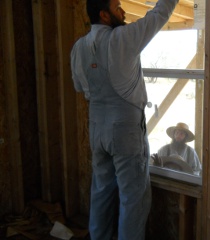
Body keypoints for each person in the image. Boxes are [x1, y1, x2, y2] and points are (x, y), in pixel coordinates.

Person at [70, 0, 178, 239]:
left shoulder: (79, 47)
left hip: (97, 128)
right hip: (126, 131)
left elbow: (80, 86)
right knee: (133, 200)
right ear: (104, 15)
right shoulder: (123, 38)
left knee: (101, 192)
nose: (123, 10)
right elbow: (158, 15)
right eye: (117, 6)